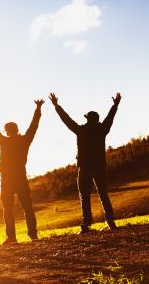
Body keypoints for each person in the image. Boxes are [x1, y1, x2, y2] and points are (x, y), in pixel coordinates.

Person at [49, 92, 122, 233]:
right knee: (103, 194)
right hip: (100, 166)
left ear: (88, 119)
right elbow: (110, 118)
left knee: (84, 196)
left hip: (85, 167)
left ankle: (86, 224)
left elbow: (67, 120)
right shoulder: (102, 129)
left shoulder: (81, 130)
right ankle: (110, 221)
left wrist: (57, 106)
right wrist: (115, 105)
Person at [0, 100, 43, 245]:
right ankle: (33, 235)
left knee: (8, 209)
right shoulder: (25, 140)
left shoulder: (3, 141)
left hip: (6, 180)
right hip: (20, 178)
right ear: (17, 130)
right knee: (27, 207)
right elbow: (34, 126)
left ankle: (12, 237)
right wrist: (38, 109)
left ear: (6, 131)